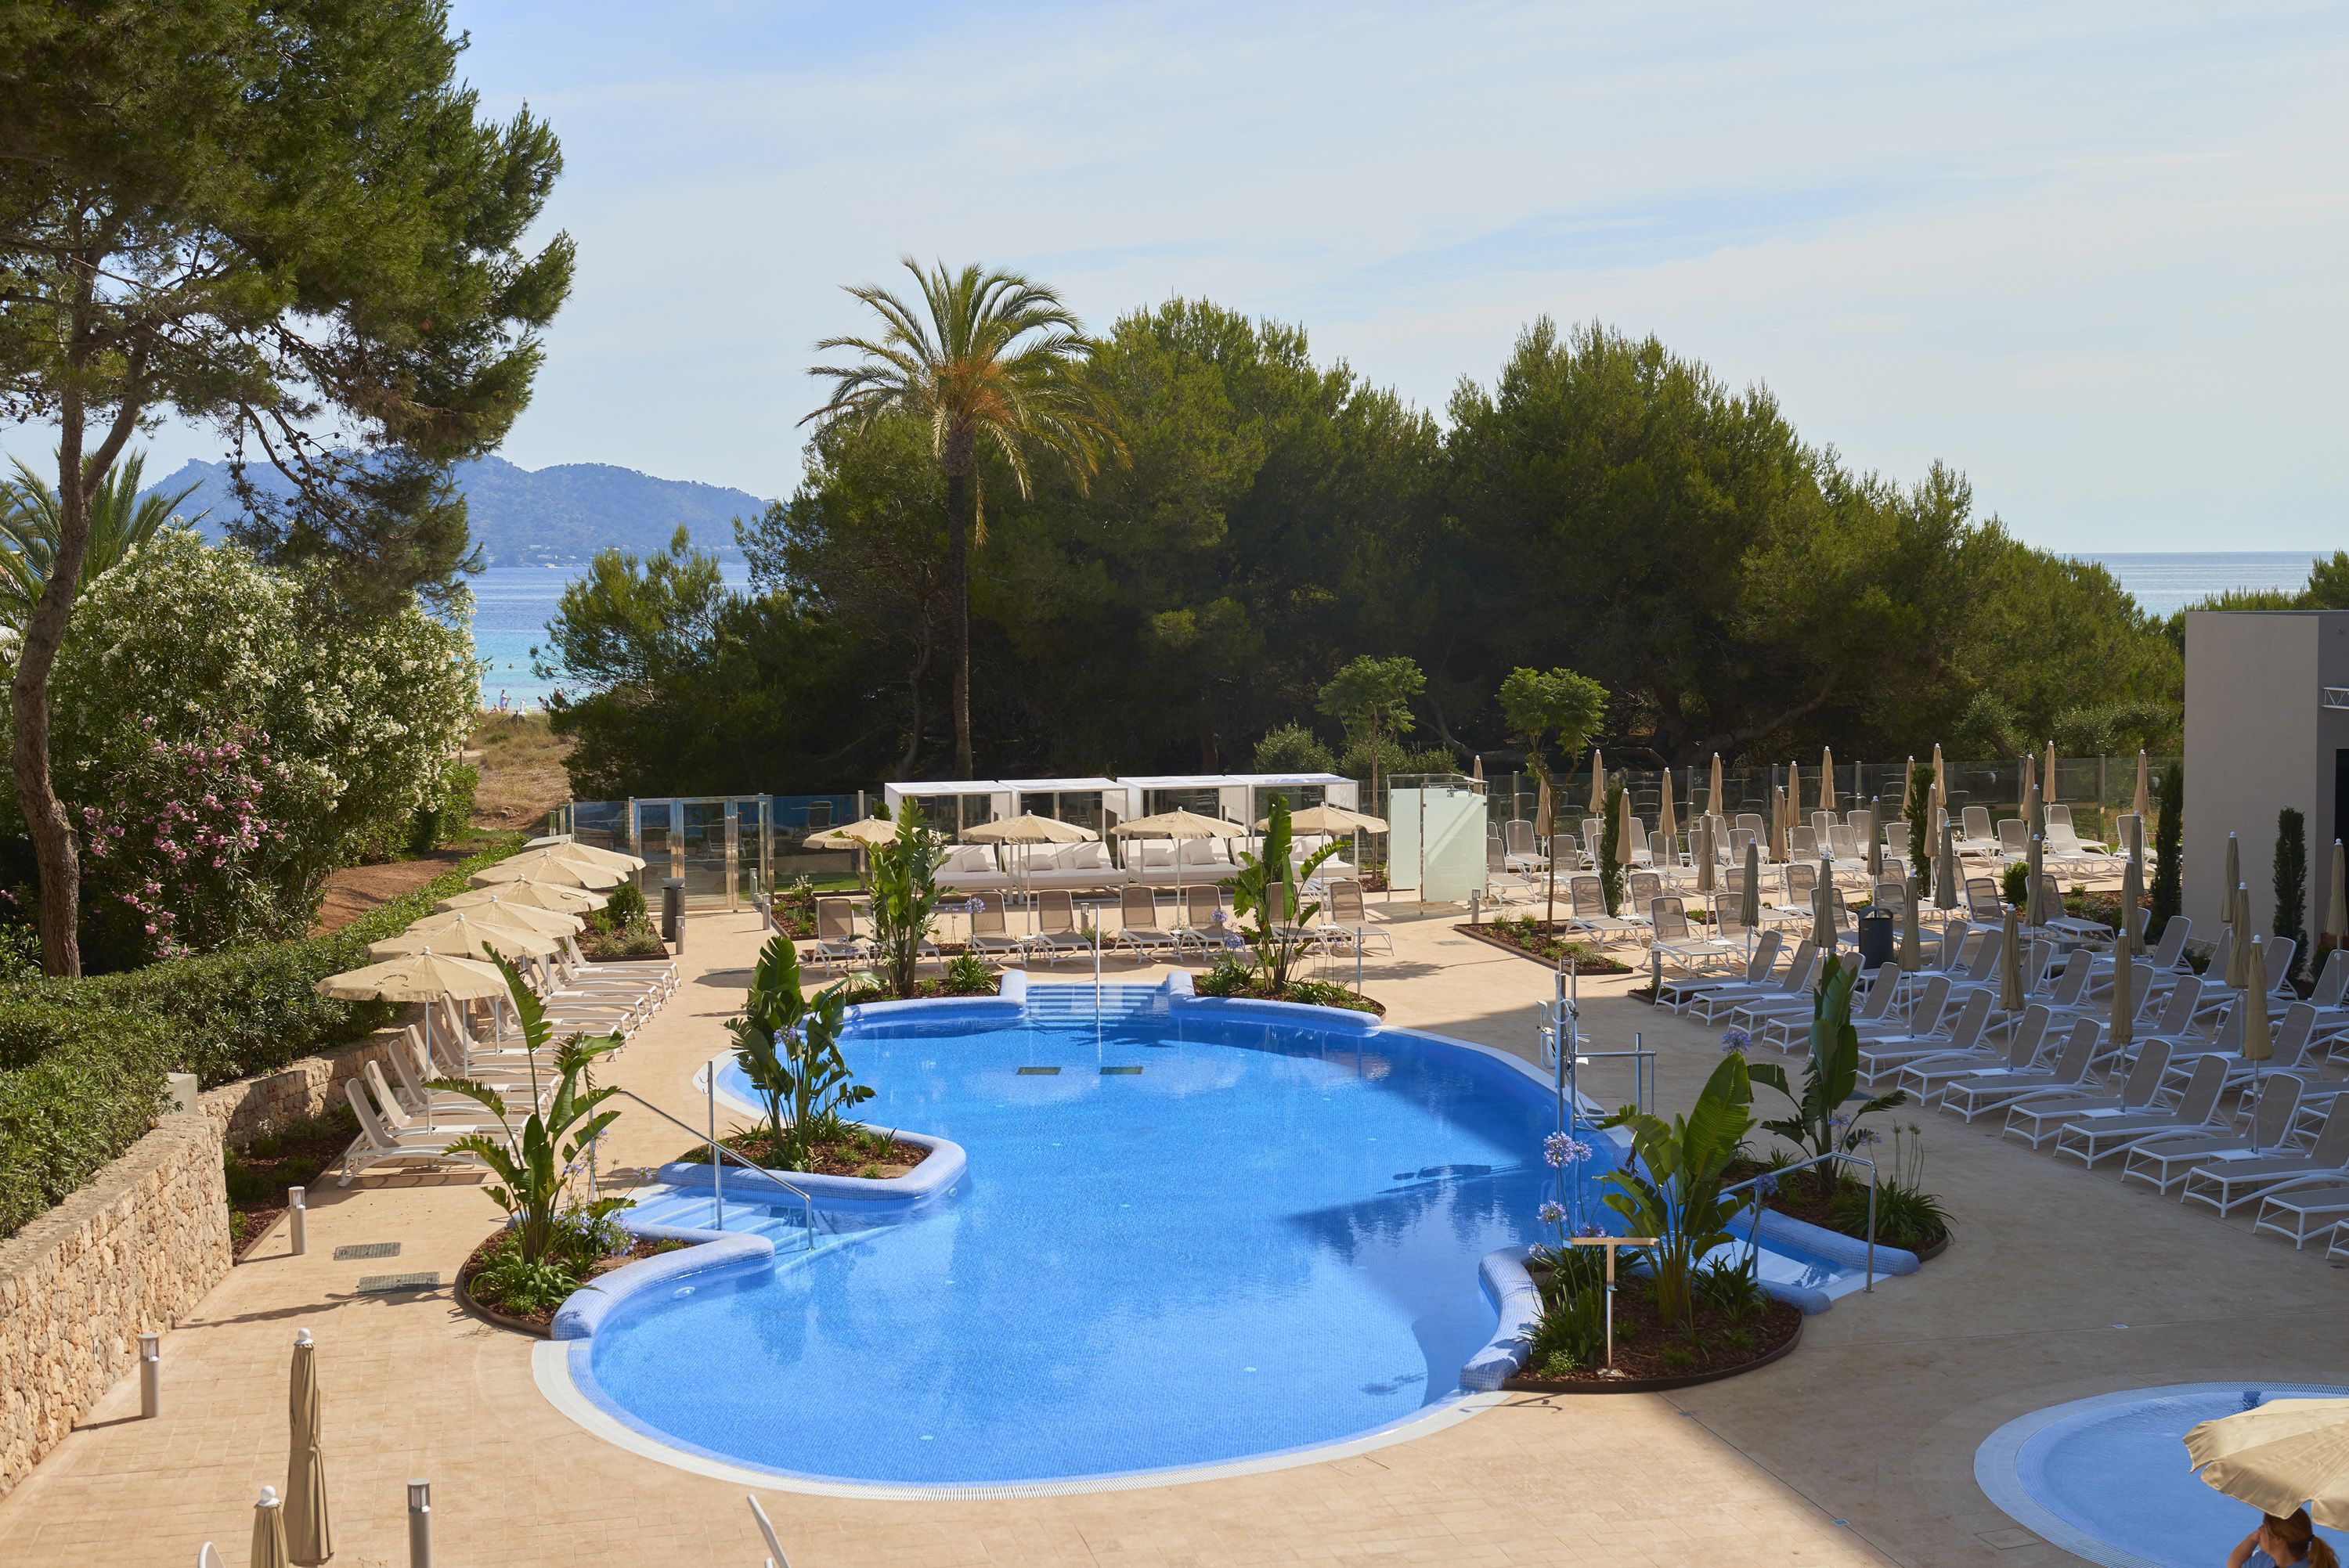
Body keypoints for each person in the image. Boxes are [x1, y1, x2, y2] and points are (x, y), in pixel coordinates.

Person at [2229, 1509, 2338, 1568]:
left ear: (2278, 1538)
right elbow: (2234, 1565)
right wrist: (2253, 1538)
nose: (2259, 1530)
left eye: (2263, 1526)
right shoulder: (2268, 1558)